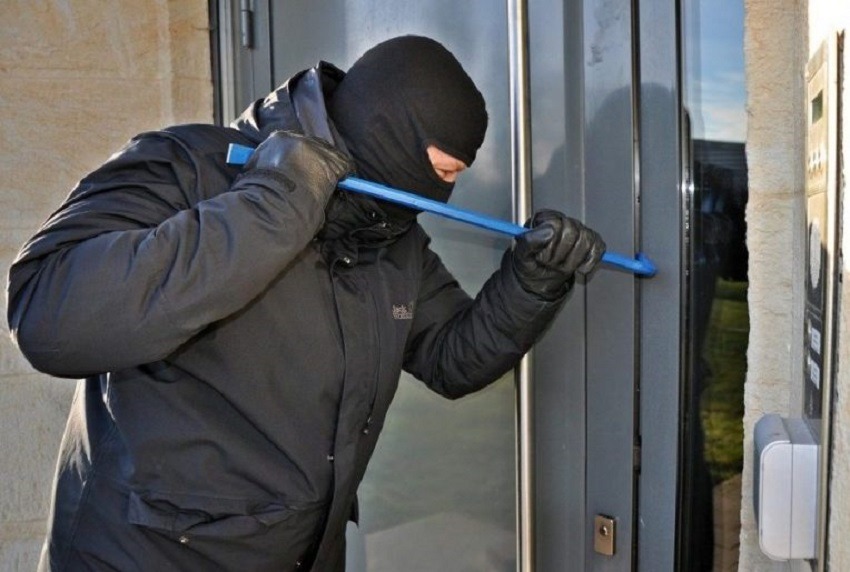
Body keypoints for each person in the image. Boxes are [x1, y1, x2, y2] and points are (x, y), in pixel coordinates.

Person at [6, 35, 605, 571]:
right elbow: (48, 317)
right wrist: (276, 204)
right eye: (439, 169)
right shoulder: (189, 167)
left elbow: (451, 360)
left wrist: (533, 280)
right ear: (387, 134)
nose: (442, 193)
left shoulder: (390, 234)